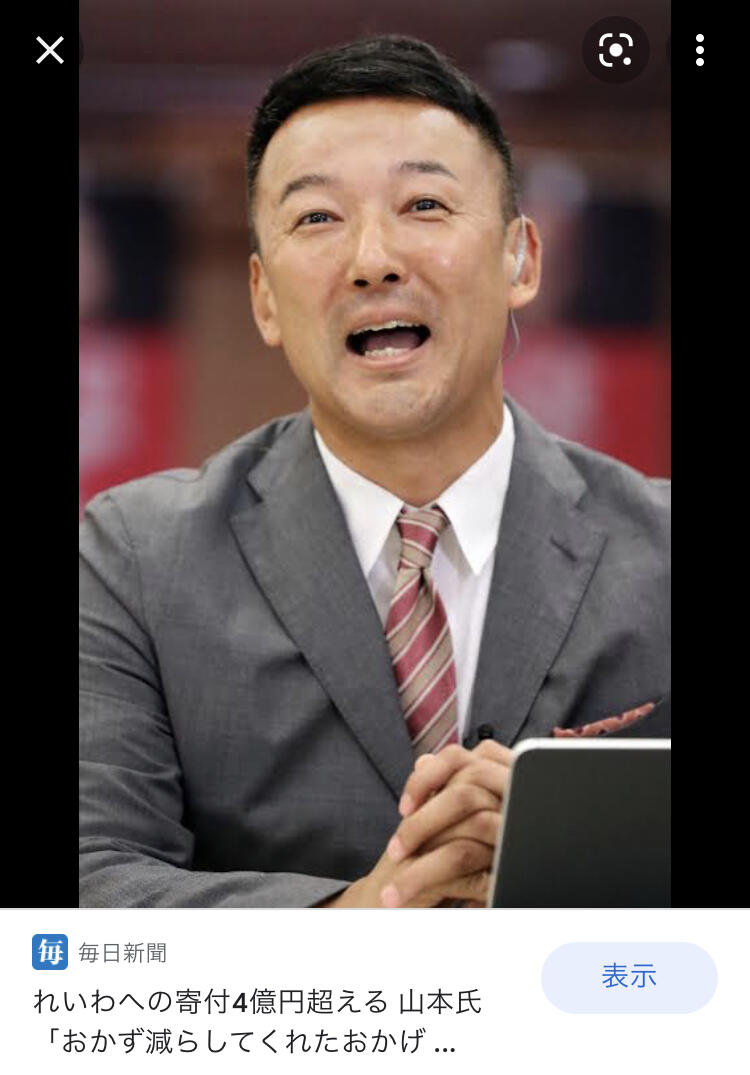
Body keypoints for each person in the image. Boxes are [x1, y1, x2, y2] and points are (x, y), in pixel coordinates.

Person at [79, 35, 670, 909]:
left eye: (424, 204)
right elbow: (90, 883)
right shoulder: (134, 557)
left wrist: (576, 852)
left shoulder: (661, 550)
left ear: (521, 260)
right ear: (263, 297)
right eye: (318, 218)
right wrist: (359, 920)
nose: (374, 260)